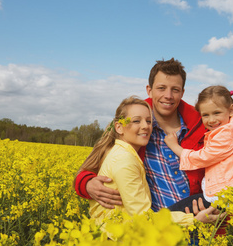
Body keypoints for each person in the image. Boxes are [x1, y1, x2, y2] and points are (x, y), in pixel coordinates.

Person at [74, 58, 208, 212]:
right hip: (152, 227)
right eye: (161, 88)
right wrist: (86, 183)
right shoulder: (133, 123)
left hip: (199, 223)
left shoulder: (202, 125)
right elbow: (91, 165)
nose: (168, 95)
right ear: (149, 90)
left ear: (182, 93)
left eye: (175, 90)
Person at [78, 96, 223, 226]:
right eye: (136, 121)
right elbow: (142, 218)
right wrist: (194, 221)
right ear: (119, 127)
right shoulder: (125, 160)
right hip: (119, 241)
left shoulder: (122, 152)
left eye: (148, 121)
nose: (145, 126)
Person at [164, 85, 233, 208]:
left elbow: (203, 157)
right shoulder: (230, 128)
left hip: (223, 199)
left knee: (168, 215)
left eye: (216, 113)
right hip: (227, 196)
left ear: (231, 110)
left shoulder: (226, 135)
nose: (211, 120)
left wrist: (175, 146)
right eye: (205, 115)